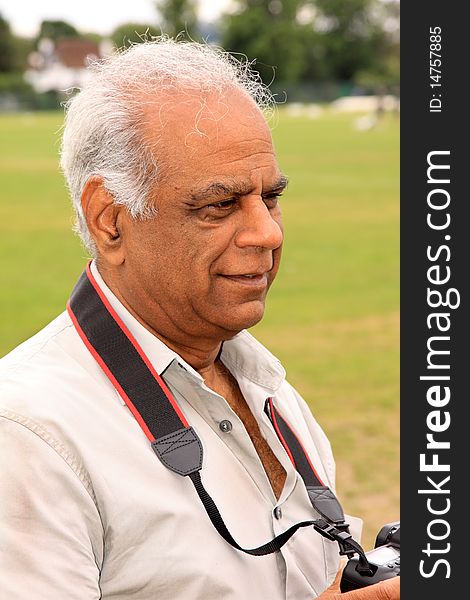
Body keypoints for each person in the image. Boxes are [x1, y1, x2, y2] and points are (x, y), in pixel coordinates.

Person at [0, 39, 399, 599]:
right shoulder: (26, 434)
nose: (268, 233)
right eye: (219, 205)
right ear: (109, 220)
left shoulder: (268, 390)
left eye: (270, 197)